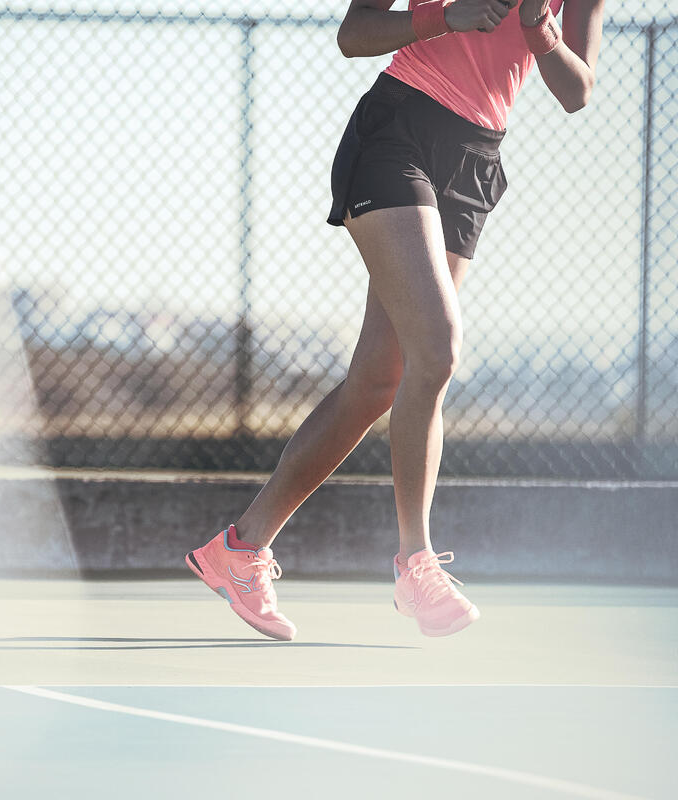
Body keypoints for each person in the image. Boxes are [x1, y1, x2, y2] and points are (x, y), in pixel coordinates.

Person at [186, 0, 606, 641]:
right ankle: (417, 564)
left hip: (476, 158)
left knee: (380, 381)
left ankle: (238, 551)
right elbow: (355, 35)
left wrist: (540, 31)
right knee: (436, 350)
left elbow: (578, 91)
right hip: (397, 132)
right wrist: (450, 16)